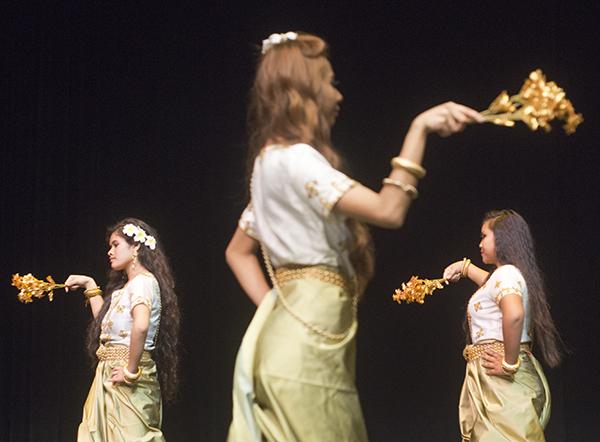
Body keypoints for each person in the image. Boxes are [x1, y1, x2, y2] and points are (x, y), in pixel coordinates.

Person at [225, 31, 483, 441]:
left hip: (302, 343)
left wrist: (275, 307)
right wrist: (421, 129)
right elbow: (389, 210)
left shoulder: (268, 164)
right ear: (306, 88)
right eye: (328, 81)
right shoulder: (295, 161)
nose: (337, 94)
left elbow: (237, 252)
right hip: (301, 356)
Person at [443, 209, 562, 441]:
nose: (480, 243)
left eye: (484, 236)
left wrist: (508, 363)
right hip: (492, 376)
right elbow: (489, 285)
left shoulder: (506, 273)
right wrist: (464, 268)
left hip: (499, 376)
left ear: (503, 239)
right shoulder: (505, 275)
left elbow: (514, 314)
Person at [65, 218, 180, 442]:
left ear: (136, 246)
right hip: (109, 371)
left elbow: (141, 325)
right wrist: (90, 285)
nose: (110, 251)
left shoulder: (143, 283)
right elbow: (105, 325)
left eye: (115, 245)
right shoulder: (125, 289)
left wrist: (130, 370)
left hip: (127, 373)